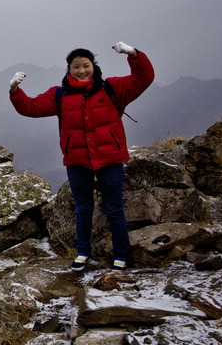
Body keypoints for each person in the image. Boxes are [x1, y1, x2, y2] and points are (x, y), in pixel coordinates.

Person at [8, 42, 154, 271]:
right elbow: (31, 108)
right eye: (77, 66)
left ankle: (121, 256)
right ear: (69, 68)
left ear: (93, 66)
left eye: (86, 65)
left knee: (114, 208)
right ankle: (83, 253)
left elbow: (143, 79)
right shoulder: (60, 95)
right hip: (78, 161)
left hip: (110, 159)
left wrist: (134, 54)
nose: (82, 70)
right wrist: (15, 91)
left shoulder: (112, 89)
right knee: (83, 208)